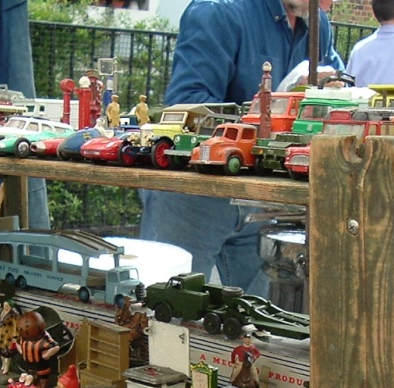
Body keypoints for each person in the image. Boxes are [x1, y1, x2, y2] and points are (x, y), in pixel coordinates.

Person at [139, 0, 343, 296]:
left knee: (253, 322)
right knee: (167, 310)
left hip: (260, 197)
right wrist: (274, 102)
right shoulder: (216, 11)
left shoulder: (316, 21)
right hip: (195, 199)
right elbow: (188, 106)